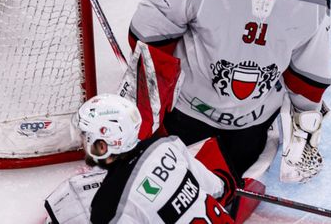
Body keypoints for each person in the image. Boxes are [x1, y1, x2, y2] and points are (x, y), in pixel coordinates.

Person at [128, 0, 331, 185]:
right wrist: (156, 84)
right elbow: (149, 29)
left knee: (225, 187)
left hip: (252, 125)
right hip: (189, 115)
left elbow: (310, 67)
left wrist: (306, 119)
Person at [43, 94, 237, 224]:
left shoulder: (108, 206)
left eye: (85, 136)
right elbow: (218, 188)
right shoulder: (167, 145)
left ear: (102, 146)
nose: (81, 142)